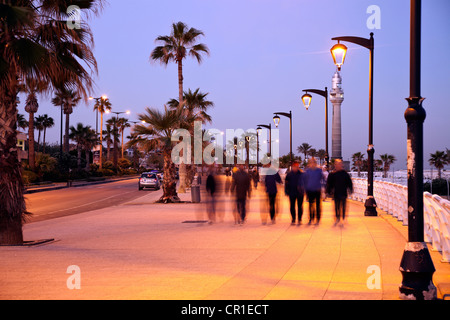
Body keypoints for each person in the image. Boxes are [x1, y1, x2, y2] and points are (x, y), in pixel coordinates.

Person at [326, 159, 353, 225]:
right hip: (336, 193)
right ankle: (337, 218)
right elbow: (329, 183)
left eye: (340, 164)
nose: (339, 165)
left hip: (343, 192)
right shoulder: (332, 174)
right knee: (336, 206)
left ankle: (343, 218)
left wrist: (350, 190)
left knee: (343, 206)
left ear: (342, 165)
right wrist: (328, 191)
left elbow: (349, 182)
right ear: (335, 165)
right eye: (337, 164)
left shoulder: (345, 174)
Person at [304, 157, 324, 225]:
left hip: (317, 190)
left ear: (315, 163)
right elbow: (305, 180)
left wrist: (323, 187)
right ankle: (311, 219)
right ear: (309, 163)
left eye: (313, 162)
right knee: (310, 205)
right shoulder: (307, 171)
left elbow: (323, 179)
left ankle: (318, 219)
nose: (312, 164)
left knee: (318, 205)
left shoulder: (319, 171)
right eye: (311, 162)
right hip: (309, 190)